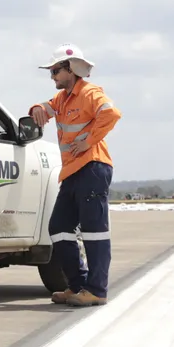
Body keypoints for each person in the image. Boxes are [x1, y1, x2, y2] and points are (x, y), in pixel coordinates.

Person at [29, 44, 122, 307]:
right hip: (72, 171)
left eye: (56, 70)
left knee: (94, 232)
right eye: (51, 71)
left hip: (92, 167)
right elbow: (45, 108)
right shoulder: (63, 98)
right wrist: (36, 107)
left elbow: (111, 114)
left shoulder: (89, 93)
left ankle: (96, 290)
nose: (52, 76)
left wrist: (89, 140)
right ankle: (77, 286)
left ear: (71, 69)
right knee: (58, 228)